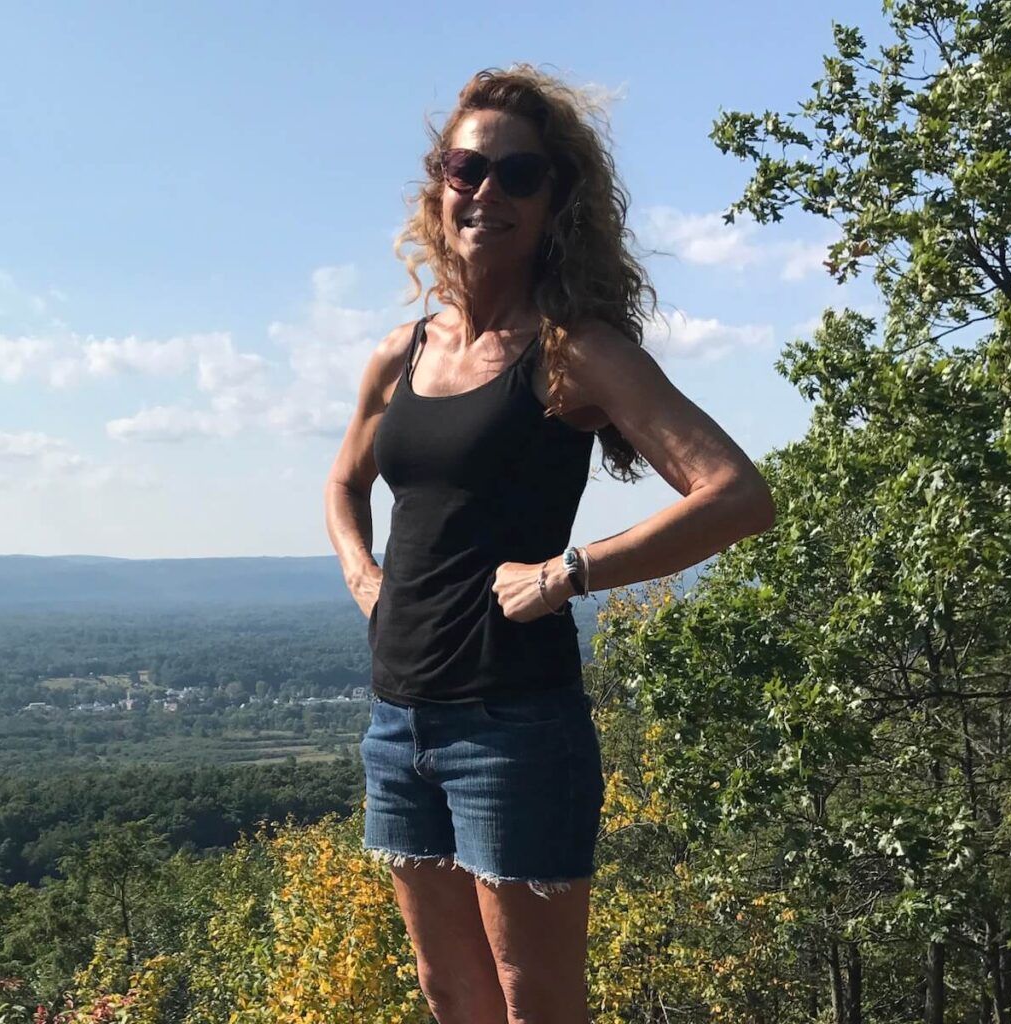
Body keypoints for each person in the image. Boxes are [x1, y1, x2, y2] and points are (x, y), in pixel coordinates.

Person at [325, 63, 775, 1024]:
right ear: (439, 182)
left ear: (556, 201)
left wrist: (573, 572)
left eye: (518, 176)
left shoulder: (574, 352)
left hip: (515, 728)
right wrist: (364, 573)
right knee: (451, 993)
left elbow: (737, 495)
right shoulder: (400, 354)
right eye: (466, 168)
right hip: (399, 720)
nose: (485, 192)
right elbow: (344, 482)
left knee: (538, 1007)